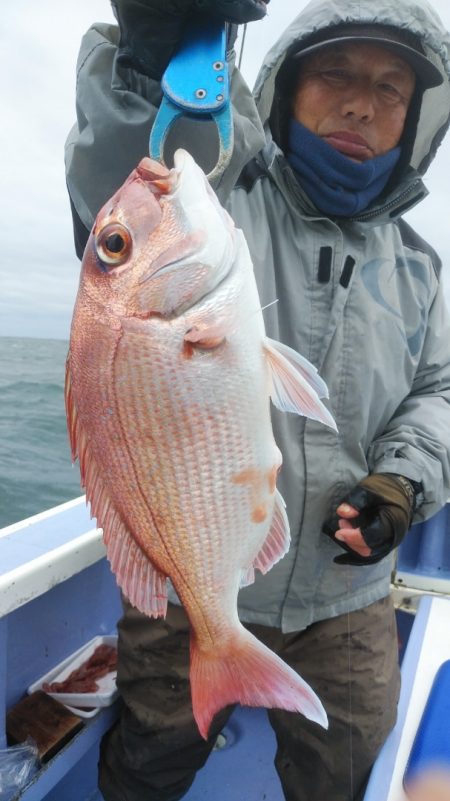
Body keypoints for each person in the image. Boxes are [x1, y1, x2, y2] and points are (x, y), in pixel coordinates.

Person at [64, 1, 450, 799]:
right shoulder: (220, 194)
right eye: (335, 73)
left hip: (348, 596)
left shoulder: (422, 268)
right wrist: (152, 58)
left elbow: (439, 392)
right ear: (286, 89)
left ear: (415, 119)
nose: (361, 104)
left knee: (345, 770)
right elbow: (134, 154)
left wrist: (403, 483)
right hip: (185, 594)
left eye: (390, 89)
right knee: (149, 759)